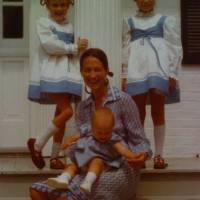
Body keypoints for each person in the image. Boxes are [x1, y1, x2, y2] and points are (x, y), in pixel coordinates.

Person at [29, 48, 152, 200]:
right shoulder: (83, 107)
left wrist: (143, 155)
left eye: (97, 69)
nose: (92, 75)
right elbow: (81, 143)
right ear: (81, 73)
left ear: (107, 71)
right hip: (87, 167)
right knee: (36, 192)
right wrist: (76, 157)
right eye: (87, 70)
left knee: (63, 198)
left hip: (119, 168)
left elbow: (139, 140)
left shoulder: (124, 100)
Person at [27, 0, 88, 170]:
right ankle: (38, 143)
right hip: (51, 72)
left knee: (60, 113)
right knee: (67, 111)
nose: (59, 9)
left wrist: (79, 48)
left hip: (67, 73)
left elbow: (74, 51)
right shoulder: (44, 23)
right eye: (55, 5)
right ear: (47, 5)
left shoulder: (71, 26)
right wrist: (74, 47)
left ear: (69, 5)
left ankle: (54, 157)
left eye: (63, 4)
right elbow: (50, 46)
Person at [122, 0, 183, 169]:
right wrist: (125, 73)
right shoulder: (129, 22)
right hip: (137, 69)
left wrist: (172, 72)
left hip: (158, 68)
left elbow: (174, 46)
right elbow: (124, 48)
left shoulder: (164, 20)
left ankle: (159, 155)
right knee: (137, 112)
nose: (146, 1)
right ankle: (140, 152)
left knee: (158, 110)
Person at [47, 107, 139, 194]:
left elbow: (122, 149)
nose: (103, 136)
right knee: (72, 165)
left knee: (96, 161)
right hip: (85, 162)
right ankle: (63, 178)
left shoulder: (112, 139)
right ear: (92, 127)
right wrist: (67, 142)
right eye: (99, 133)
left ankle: (88, 182)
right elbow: (75, 137)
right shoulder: (88, 130)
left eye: (107, 132)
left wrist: (133, 156)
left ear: (112, 128)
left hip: (103, 162)